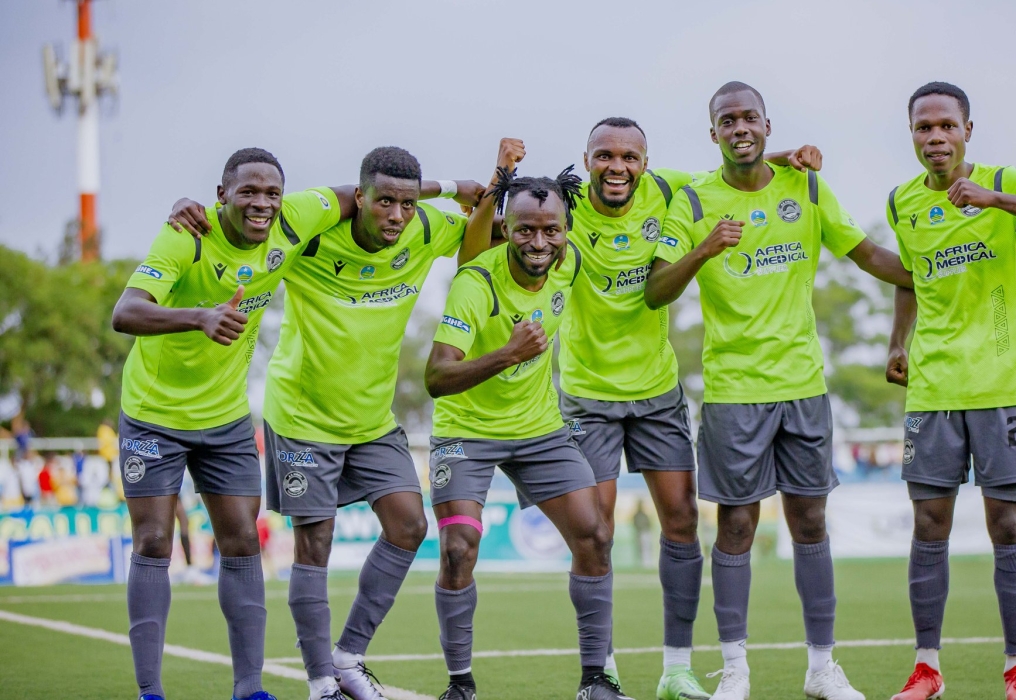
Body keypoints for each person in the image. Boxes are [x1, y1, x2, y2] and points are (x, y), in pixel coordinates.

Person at [168, 147, 487, 700]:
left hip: (371, 419)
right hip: (303, 417)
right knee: (314, 545)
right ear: (358, 198)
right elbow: (248, 218)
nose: (396, 216)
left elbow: (481, 234)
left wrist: (468, 190)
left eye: (406, 204)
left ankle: (348, 656)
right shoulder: (310, 232)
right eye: (383, 201)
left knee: (409, 525)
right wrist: (188, 208)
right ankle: (321, 683)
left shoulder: (425, 226)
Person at [645, 81, 913, 700]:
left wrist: (935, 271)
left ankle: (822, 668)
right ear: (712, 133)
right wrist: (706, 248)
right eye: (726, 120)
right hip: (734, 391)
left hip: (804, 386)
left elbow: (867, 253)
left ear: (768, 125)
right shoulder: (692, 201)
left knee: (811, 521)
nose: (740, 128)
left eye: (749, 118)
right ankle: (735, 670)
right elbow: (656, 289)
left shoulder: (809, 186)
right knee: (736, 527)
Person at [558, 116, 821, 699]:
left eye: (630, 156)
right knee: (594, 533)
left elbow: (732, 173)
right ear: (586, 160)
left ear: (646, 163)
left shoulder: (676, 190)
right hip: (587, 395)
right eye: (605, 156)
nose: (618, 167)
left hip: (657, 393)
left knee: (681, 523)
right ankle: (599, 673)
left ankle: (676, 669)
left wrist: (786, 156)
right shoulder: (565, 208)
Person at [111, 148, 346, 700]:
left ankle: (250, 689)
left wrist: (459, 188)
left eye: (271, 193)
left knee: (242, 541)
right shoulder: (186, 235)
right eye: (248, 192)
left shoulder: (294, 219)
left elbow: (361, 195)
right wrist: (201, 316)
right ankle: (150, 691)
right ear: (222, 196)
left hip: (226, 420)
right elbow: (124, 312)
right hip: (153, 415)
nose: (261, 203)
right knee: (152, 541)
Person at [883, 81, 1016, 700]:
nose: (935, 137)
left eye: (946, 125)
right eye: (924, 127)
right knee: (929, 527)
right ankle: (926, 669)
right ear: (912, 135)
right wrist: (898, 341)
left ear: (968, 130)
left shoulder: (1004, 180)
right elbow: (910, 277)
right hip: (934, 393)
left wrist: (997, 200)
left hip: (1002, 388)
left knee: (1007, 527)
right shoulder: (901, 203)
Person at [424, 164, 633, 700]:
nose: (538, 241)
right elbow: (437, 377)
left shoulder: (571, 262)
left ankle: (595, 680)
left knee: (595, 535)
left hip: (540, 429)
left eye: (550, 229)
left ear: (566, 229)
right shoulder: (475, 284)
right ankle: (460, 686)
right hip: (465, 431)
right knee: (458, 548)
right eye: (524, 230)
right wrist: (508, 354)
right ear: (506, 229)